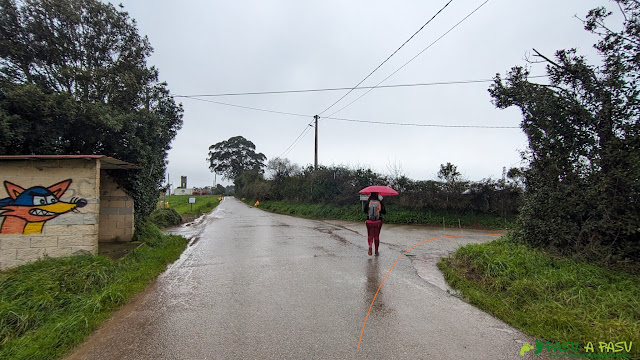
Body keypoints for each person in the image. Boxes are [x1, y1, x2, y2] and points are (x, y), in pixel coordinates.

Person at [363, 192, 386, 256]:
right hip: (378, 221)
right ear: (377, 195)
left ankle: (370, 246)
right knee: (376, 236)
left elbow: (365, 211)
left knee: (370, 235)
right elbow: (384, 212)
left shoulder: (368, 202)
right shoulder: (379, 202)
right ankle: (376, 251)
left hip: (369, 221)